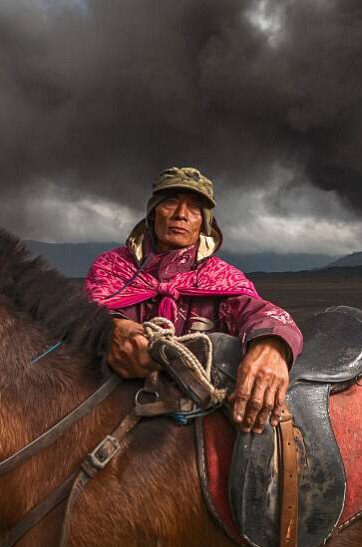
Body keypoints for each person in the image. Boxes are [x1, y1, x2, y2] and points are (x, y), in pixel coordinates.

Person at [85, 167, 303, 434]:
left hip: (192, 428)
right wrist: (109, 329)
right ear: (153, 213)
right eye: (170, 202)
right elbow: (79, 317)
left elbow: (256, 312)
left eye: (195, 208)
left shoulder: (220, 277)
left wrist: (272, 346)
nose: (181, 214)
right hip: (108, 417)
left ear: (205, 222)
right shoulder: (112, 267)